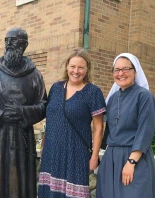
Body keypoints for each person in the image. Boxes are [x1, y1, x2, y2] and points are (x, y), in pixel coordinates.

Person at [0, 27, 47, 198]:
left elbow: (44, 105)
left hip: (23, 136)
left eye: (13, 41)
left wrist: (22, 112)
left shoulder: (34, 75)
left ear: (24, 45)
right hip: (0, 135)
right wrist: (0, 115)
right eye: (6, 40)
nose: (9, 44)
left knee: (22, 179)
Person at [38, 48, 106, 198]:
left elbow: (98, 127)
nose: (76, 71)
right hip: (52, 151)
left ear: (87, 69)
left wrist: (94, 156)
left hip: (76, 153)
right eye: (73, 66)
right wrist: (43, 145)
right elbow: (51, 119)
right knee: (49, 192)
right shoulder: (56, 88)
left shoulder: (93, 92)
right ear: (67, 67)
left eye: (81, 67)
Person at [96, 53, 155, 198]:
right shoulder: (112, 99)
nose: (121, 73)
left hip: (135, 158)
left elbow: (145, 131)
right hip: (111, 158)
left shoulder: (144, 96)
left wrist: (131, 162)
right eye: (116, 70)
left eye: (126, 69)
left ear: (135, 71)